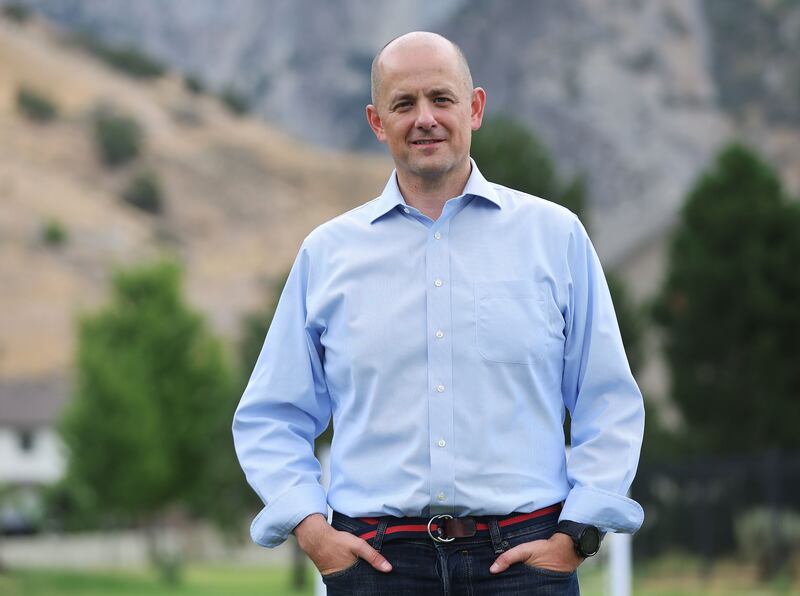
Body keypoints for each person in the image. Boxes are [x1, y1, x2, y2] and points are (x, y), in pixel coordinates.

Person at [233, 31, 645, 595]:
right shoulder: (327, 255)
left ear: (474, 108)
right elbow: (271, 416)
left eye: (441, 99)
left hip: (526, 567)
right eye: (403, 103)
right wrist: (311, 530)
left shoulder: (555, 237)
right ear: (377, 122)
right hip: (374, 567)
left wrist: (578, 535)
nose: (424, 118)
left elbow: (609, 400)